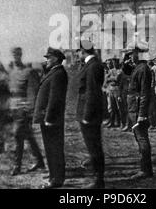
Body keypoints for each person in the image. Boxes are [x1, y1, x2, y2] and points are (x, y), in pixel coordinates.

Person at [33, 47, 68, 189]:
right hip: (48, 118)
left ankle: (57, 179)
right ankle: (53, 175)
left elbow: (55, 100)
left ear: (55, 58)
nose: (46, 60)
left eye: (48, 58)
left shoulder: (58, 73)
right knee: (50, 149)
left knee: (55, 149)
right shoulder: (53, 72)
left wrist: (48, 118)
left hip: (52, 119)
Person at [8, 47, 44, 176]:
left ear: (21, 55)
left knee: (17, 134)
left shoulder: (29, 72)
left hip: (24, 109)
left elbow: (33, 92)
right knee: (27, 135)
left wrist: (30, 109)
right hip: (14, 108)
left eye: (17, 54)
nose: (15, 57)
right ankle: (39, 161)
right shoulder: (11, 72)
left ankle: (16, 166)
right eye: (13, 55)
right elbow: (11, 91)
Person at [76, 40, 105, 189]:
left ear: (83, 51)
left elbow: (92, 92)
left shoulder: (93, 66)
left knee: (94, 146)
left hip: (90, 114)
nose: (77, 54)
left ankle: (98, 180)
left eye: (78, 51)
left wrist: (87, 115)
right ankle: (97, 176)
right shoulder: (91, 65)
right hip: (87, 113)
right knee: (92, 146)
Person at [126, 47, 153, 179]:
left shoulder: (143, 69)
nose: (130, 57)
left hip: (138, 109)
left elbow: (144, 93)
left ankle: (145, 170)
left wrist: (142, 113)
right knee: (139, 137)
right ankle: (145, 169)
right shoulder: (138, 68)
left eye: (132, 54)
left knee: (142, 138)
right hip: (134, 108)